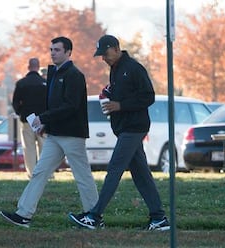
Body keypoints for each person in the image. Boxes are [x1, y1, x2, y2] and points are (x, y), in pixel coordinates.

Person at [68, 35, 170, 231]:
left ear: (115, 48)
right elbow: (124, 94)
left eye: (105, 54)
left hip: (134, 128)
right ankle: (159, 218)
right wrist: (108, 96)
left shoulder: (133, 68)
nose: (103, 59)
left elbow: (148, 96)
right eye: (101, 56)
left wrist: (120, 105)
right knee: (141, 175)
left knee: (114, 169)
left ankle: (94, 216)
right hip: (125, 128)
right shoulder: (115, 70)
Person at [0, 36, 99, 227]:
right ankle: (23, 214)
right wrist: (46, 124)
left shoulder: (74, 75)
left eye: (57, 50)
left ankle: (94, 216)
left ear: (69, 52)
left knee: (82, 176)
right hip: (54, 135)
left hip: (72, 134)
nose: (53, 52)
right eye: (51, 49)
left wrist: (44, 118)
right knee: (39, 172)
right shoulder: (54, 74)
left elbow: (71, 106)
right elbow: (53, 105)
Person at [12, 58, 47, 179]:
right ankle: (44, 172)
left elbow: (15, 102)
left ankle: (32, 173)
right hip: (42, 120)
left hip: (27, 119)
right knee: (44, 146)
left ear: (28, 67)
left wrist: (21, 113)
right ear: (38, 67)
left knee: (29, 147)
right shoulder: (45, 83)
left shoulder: (21, 83)